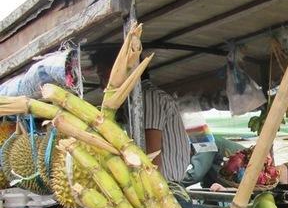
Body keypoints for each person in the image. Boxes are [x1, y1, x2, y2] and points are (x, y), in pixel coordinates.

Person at [91, 49, 190, 182]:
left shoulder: (147, 98)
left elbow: (151, 160)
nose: (102, 85)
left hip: (163, 189)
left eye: (103, 76)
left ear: (123, 70)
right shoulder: (135, 102)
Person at [181, 136, 246, 189]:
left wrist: (172, 184)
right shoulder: (199, 150)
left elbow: (196, 174)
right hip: (240, 180)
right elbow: (206, 178)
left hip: (248, 176)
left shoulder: (205, 141)